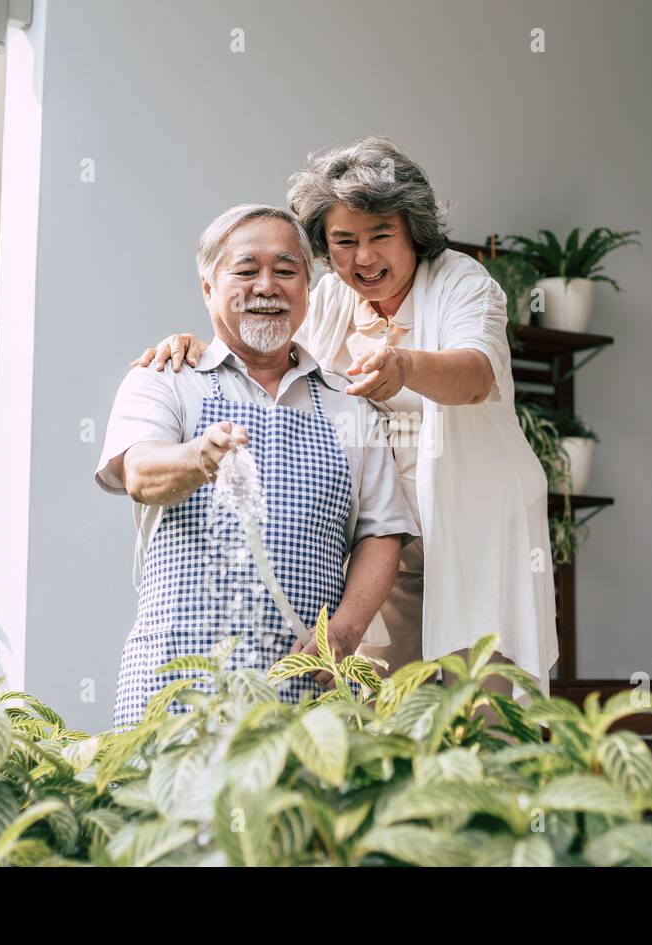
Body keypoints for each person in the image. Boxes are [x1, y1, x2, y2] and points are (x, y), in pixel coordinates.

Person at [133, 137, 557, 702]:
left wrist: (404, 365)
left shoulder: (460, 280)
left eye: (380, 235)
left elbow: (477, 376)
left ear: (414, 232)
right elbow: (270, 359)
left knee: (481, 706)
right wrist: (199, 343)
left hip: (473, 532)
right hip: (382, 543)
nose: (363, 258)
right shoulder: (328, 297)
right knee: (382, 716)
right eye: (343, 241)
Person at [96, 203, 417, 727]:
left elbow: (382, 533)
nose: (267, 286)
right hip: (178, 682)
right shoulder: (165, 378)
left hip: (305, 688)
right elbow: (139, 472)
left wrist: (346, 629)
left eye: (286, 271)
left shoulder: (350, 405)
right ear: (208, 287)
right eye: (246, 271)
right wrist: (198, 456)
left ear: (308, 290)